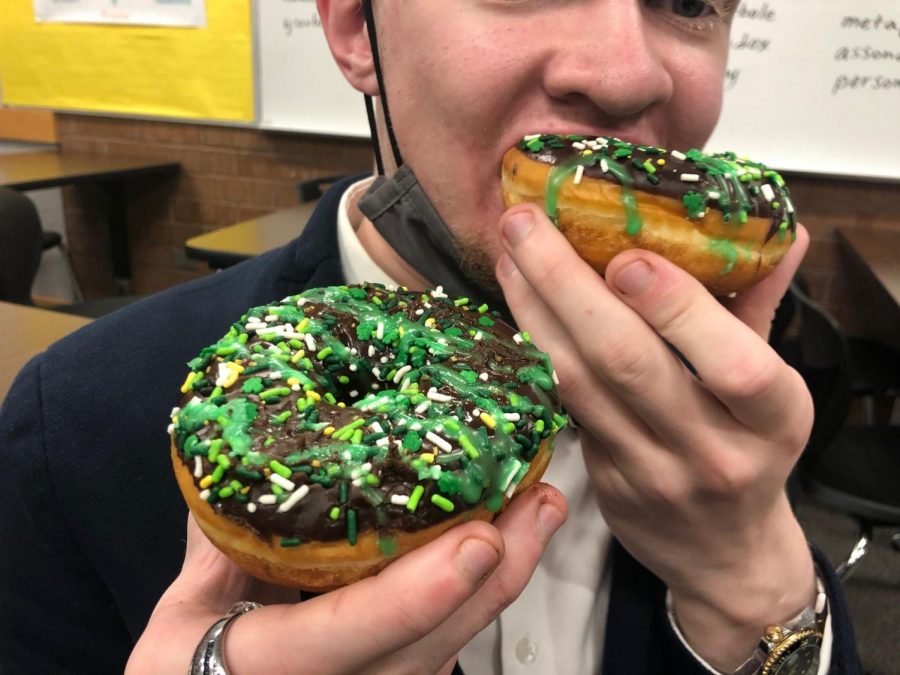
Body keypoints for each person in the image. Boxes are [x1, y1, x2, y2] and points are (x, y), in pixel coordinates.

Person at [0, 1, 860, 674]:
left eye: (687, 0)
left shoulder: (730, 411)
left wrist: (763, 598)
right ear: (354, 29)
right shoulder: (74, 428)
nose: (629, 73)